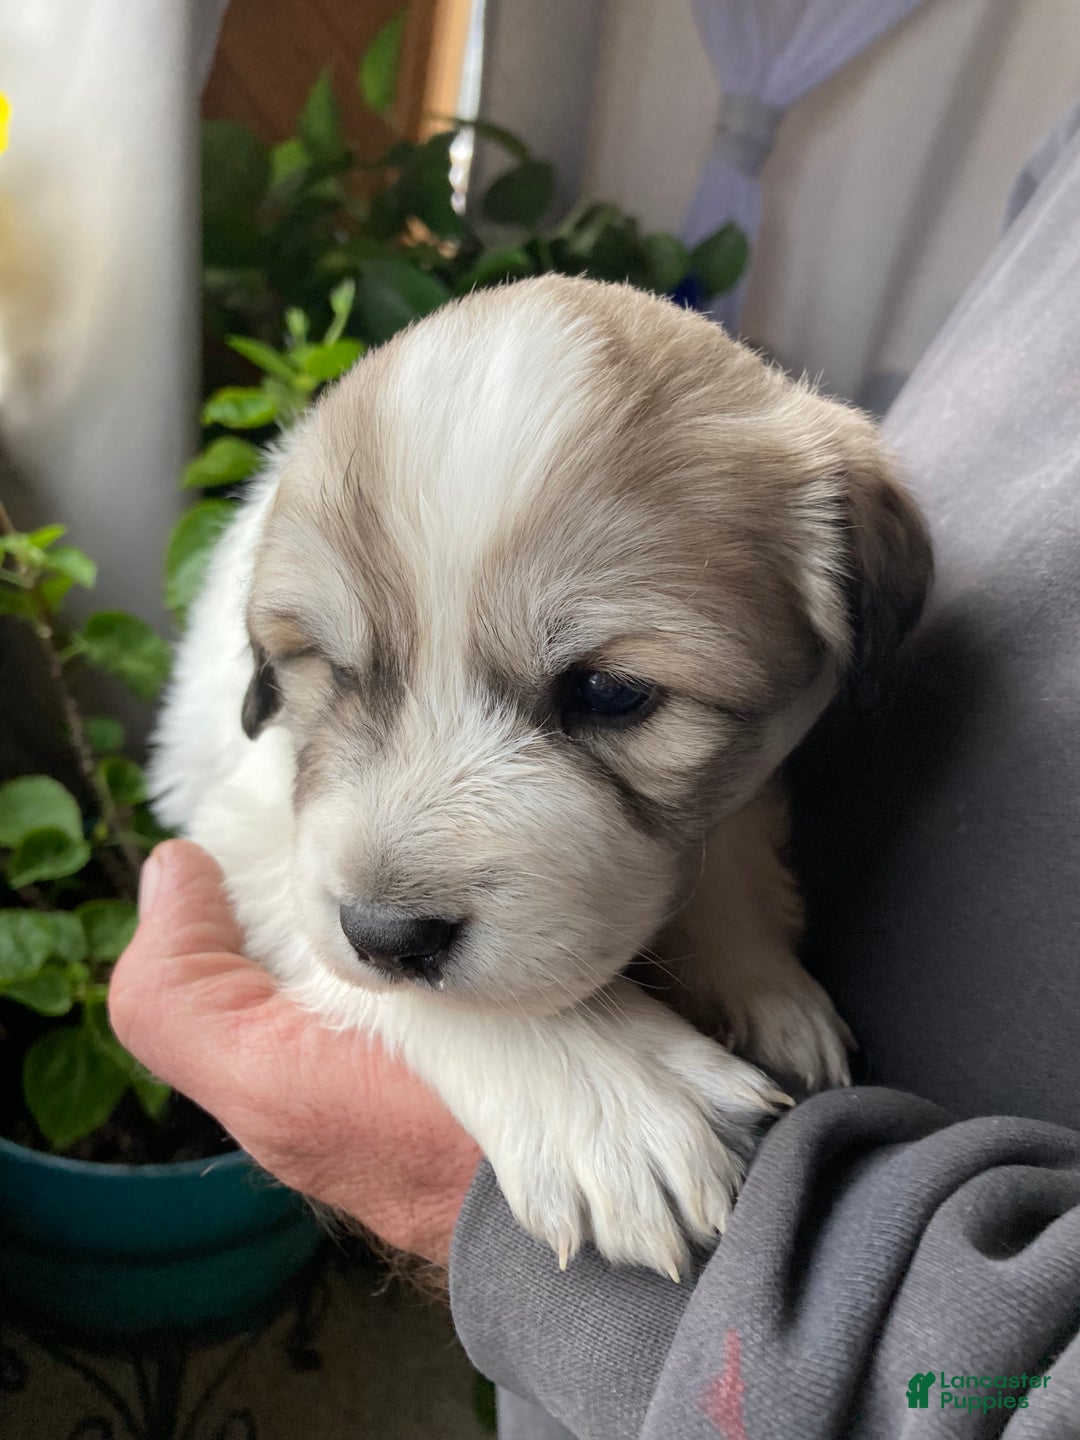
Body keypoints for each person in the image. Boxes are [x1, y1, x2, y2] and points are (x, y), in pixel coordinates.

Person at [110, 112, 1080, 1439]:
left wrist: (733, 940)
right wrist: (520, 1056)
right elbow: (250, 836)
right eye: (334, 660)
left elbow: (753, 757)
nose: (392, 872)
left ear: (850, 626)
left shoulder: (808, 526)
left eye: (609, 696)